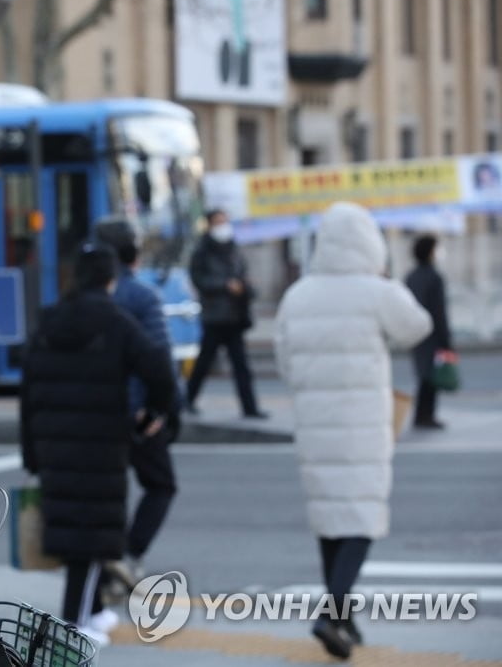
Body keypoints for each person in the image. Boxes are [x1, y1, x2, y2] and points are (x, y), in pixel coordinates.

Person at [274, 202, 431, 660]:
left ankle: (343, 618)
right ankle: (330, 613)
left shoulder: (297, 295)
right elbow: (418, 326)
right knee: (361, 516)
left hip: (314, 422)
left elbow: (286, 364)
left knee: (330, 518)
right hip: (363, 421)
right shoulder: (376, 291)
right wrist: (387, 278)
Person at [20, 244, 177, 645]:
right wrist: (154, 413)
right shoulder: (116, 322)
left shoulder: (50, 321)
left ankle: (90, 611)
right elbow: (160, 367)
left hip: (54, 443)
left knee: (77, 529)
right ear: (110, 280)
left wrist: (31, 451)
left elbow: (29, 390)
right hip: (101, 443)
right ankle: (74, 624)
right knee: (89, 538)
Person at [92, 217, 181, 593]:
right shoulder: (143, 296)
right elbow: (160, 357)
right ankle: (127, 556)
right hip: (138, 411)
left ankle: (101, 576)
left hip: (95, 412)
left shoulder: (86, 297)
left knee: (106, 492)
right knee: (160, 485)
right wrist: (161, 408)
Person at [185, 209, 266, 418]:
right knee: (204, 363)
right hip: (214, 317)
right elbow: (199, 281)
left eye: (225, 221)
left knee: (241, 366)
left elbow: (244, 276)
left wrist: (246, 288)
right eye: (219, 222)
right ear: (210, 225)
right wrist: (225, 286)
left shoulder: (234, 250)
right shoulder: (201, 252)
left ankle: (250, 408)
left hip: (235, 316)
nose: (223, 226)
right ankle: (187, 401)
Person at [405, 234, 453, 429]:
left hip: (414, 333)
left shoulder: (411, 276)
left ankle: (422, 414)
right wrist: (446, 339)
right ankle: (425, 415)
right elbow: (439, 310)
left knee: (423, 374)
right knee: (431, 376)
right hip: (432, 334)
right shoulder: (434, 277)